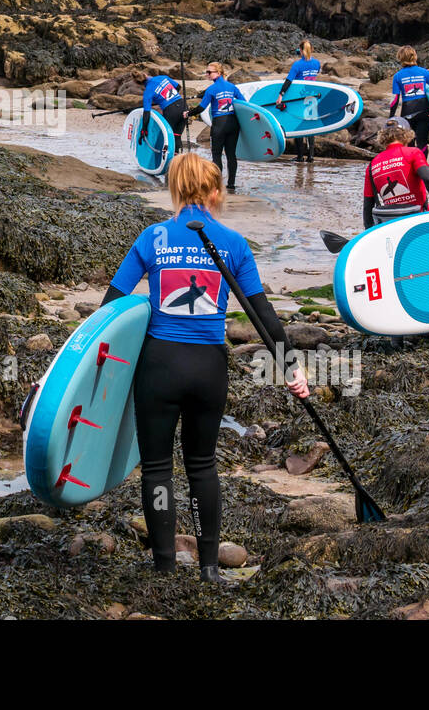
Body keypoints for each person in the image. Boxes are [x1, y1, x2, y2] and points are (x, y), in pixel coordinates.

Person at [102, 153, 310, 583]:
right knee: (202, 465)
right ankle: (211, 569)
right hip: (208, 368)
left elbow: (110, 306)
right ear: (215, 192)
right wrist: (292, 369)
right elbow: (263, 314)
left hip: (159, 366)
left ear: (176, 190)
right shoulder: (232, 242)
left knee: (158, 467)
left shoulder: (154, 237)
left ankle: (163, 568)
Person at [363, 117, 429, 228]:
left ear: (383, 137)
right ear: (407, 135)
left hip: (391, 224)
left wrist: (368, 230)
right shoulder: (413, 153)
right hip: (417, 221)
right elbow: (428, 178)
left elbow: (368, 204)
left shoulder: (372, 165)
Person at [194, 62, 244, 192]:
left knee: (216, 155)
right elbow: (244, 104)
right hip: (233, 124)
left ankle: (217, 186)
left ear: (219, 73)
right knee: (231, 155)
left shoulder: (211, 90)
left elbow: (201, 108)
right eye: (207, 72)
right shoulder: (232, 87)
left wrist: (188, 113)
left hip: (219, 125)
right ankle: (231, 185)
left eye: (209, 72)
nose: (207, 74)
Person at [388, 46, 429, 153]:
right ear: (415, 57)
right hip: (424, 111)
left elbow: (395, 100)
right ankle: (423, 167)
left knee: (409, 142)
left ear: (400, 58)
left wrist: (391, 117)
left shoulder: (398, 76)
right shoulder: (425, 73)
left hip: (408, 112)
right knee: (422, 142)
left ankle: (412, 168)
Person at [278, 39, 321, 163]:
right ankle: (311, 156)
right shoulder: (317, 63)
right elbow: (316, 74)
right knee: (311, 126)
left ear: (301, 51)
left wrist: (281, 95)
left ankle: (300, 156)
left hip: (300, 98)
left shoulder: (297, 65)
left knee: (299, 126)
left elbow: (289, 80)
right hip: (312, 97)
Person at [139, 72, 186, 154]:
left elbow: (146, 113)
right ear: (147, 75)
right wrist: (167, 99)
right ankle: (178, 160)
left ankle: (166, 161)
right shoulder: (162, 77)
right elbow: (178, 87)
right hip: (183, 106)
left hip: (171, 111)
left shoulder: (148, 92)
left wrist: (144, 130)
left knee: (165, 138)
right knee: (176, 136)